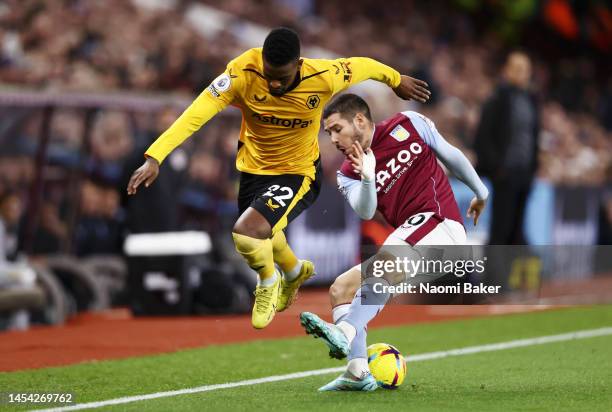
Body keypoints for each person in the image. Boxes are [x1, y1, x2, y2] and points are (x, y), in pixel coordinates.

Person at [126, 27, 431, 329]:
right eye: (269, 74)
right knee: (264, 234)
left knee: (246, 232)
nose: (273, 83)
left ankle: (268, 281)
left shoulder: (323, 76)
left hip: (298, 173)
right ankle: (294, 270)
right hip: (253, 169)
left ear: (298, 65)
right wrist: (156, 155)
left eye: (282, 78)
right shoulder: (242, 72)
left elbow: (363, 65)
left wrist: (396, 79)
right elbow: (198, 112)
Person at [299, 94, 488, 391]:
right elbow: (365, 210)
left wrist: (480, 191)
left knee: (388, 259)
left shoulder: (409, 123)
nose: (333, 138)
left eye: (337, 129)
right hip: (413, 242)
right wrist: (367, 177)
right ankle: (357, 371)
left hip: (441, 226)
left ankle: (345, 331)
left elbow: (449, 154)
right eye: (329, 133)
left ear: (359, 120)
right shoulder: (347, 173)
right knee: (340, 289)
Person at [474, 51, 539, 245]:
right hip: (504, 173)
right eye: (517, 68)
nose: (522, 73)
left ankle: (511, 274)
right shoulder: (497, 98)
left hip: (524, 174)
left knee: (517, 230)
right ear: (507, 70)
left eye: (525, 69)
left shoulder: (531, 99)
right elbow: (483, 136)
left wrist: (532, 168)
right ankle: (494, 274)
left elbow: (533, 136)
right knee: (500, 229)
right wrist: (497, 168)